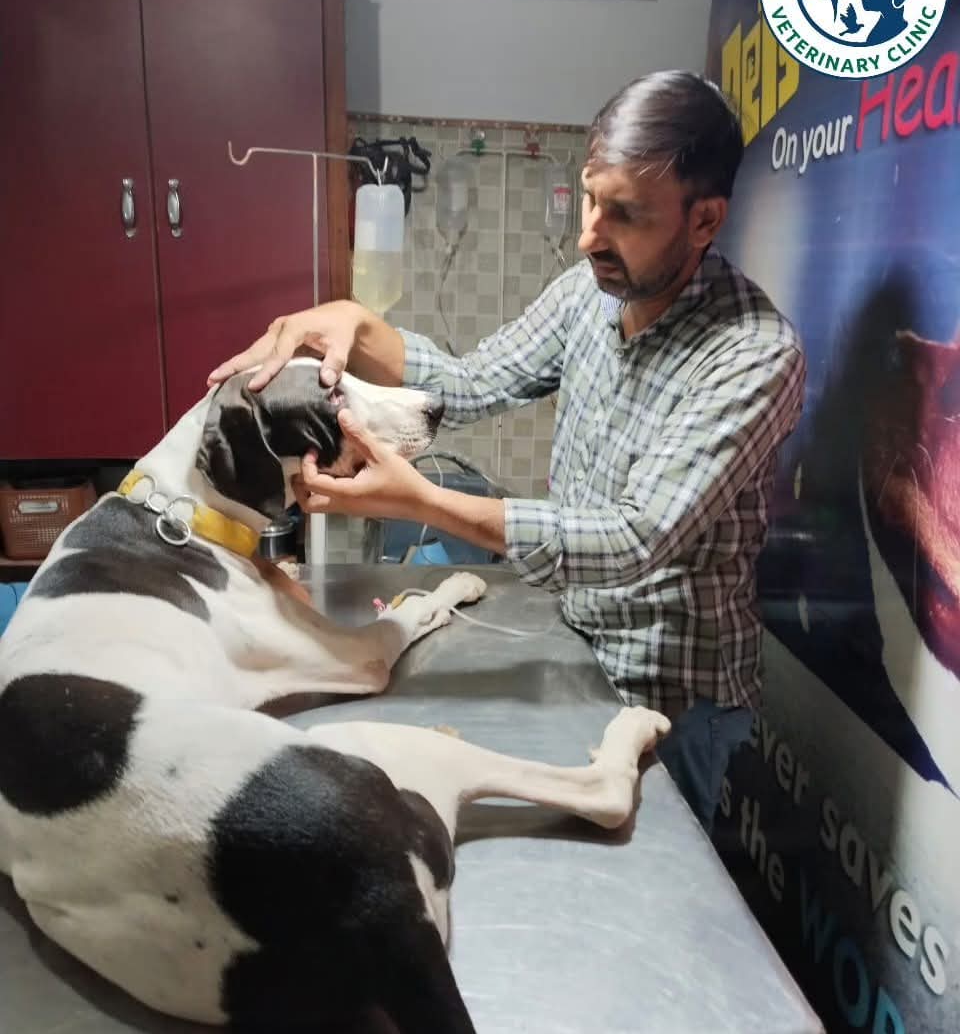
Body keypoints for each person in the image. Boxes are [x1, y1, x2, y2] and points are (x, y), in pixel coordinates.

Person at [207, 71, 807, 833]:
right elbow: (470, 381)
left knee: (651, 892)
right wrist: (358, 326)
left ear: (704, 220)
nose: (591, 234)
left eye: (625, 214)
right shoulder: (587, 296)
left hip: (677, 692)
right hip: (577, 649)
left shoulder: (754, 354)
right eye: (591, 197)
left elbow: (634, 540)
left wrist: (420, 501)